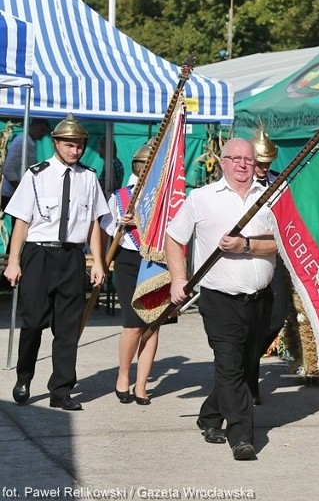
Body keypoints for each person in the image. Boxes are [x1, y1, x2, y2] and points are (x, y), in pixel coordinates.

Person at [165, 138, 277, 461]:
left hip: (259, 299)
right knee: (229, 366)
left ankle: (210, 415)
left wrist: (246, 246)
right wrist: (178, 278)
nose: (242, 164)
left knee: (242, 365)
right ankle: (241, 436)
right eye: (235, 158)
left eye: (248, 159)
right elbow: (174, 239)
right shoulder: (201, 199)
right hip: (219, 299)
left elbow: (279, 244)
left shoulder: (269, 198)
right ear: (223, 161)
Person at [3, 113, 108, 411]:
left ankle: (61, 390)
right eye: (69, 145)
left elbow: (93, 224)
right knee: (33, 321)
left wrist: (97, 262)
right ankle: (24, 377)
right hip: (39, 254)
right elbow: (21, 221)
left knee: (67, 327)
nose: (75, 151)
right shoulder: (36, 175)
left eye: (79, 145)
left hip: (72, 256)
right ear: (56, 143)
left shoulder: (88, 178)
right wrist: (14, 261)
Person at [100, 140, 158, 405]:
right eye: (142, 165)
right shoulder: (120, 196)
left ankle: (142, 385)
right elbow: (106, 230)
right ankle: (123, 375)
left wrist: (144, 222)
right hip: (128, 260)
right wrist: (100, 263)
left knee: (153, 324)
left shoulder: (163, 198)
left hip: (157, 260)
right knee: (133, 323)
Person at [246, 129, 298, 405]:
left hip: (275, 256)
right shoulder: (239, 183)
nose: (263, 168)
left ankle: (249, 359)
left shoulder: (279, 183)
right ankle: (249, 381)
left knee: (276, 316)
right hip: (247, 256)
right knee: (251, 318)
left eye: (267, 163)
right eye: (259, 162)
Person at [1, 118, 51, 211]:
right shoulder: (22, 141)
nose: (43, 134)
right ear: (33, 127)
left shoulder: (30, 142)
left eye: (45, 131)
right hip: (13, 193)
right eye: (42, 130)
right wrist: (21, 189)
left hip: (20, 191)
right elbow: (8, 169)